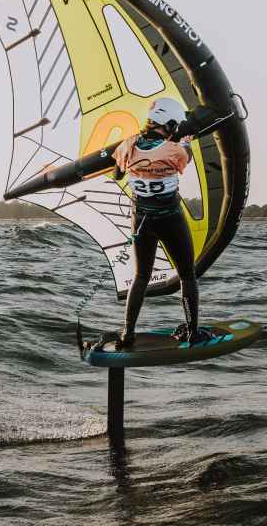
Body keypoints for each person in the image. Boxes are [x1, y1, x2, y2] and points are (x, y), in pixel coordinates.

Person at [108, 97, 209, 349]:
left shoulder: (127, 145)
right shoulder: (176, 150)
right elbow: (184, 155)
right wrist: (185, 140)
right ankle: (193, 331)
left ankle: (127, 333)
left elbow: (117, 173)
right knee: (187, 275)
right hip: (169, 219)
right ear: (171, 124)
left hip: (141, 220)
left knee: (141, 275)